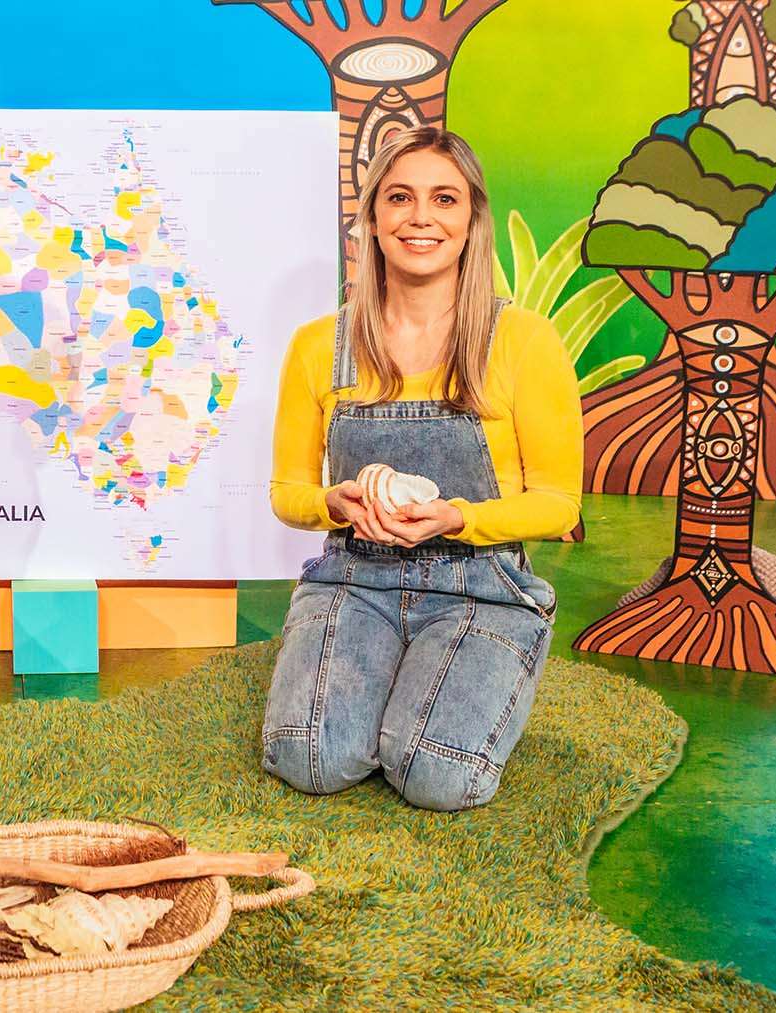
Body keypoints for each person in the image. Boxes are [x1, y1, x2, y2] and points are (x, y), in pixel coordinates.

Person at [261, 127, 581, 812]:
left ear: (471, 221)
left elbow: (558, 502)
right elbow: (286, 492)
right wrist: (336, 503)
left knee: (439, 776)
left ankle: (492, 656)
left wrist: (459, 516)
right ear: (372, 218)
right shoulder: (321, 345)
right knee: (308, 757)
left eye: (444, 199)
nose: (421, 217)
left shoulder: (522, 340)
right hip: (354, 578)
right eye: (399, 198)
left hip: (481, 587)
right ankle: (386, 680)